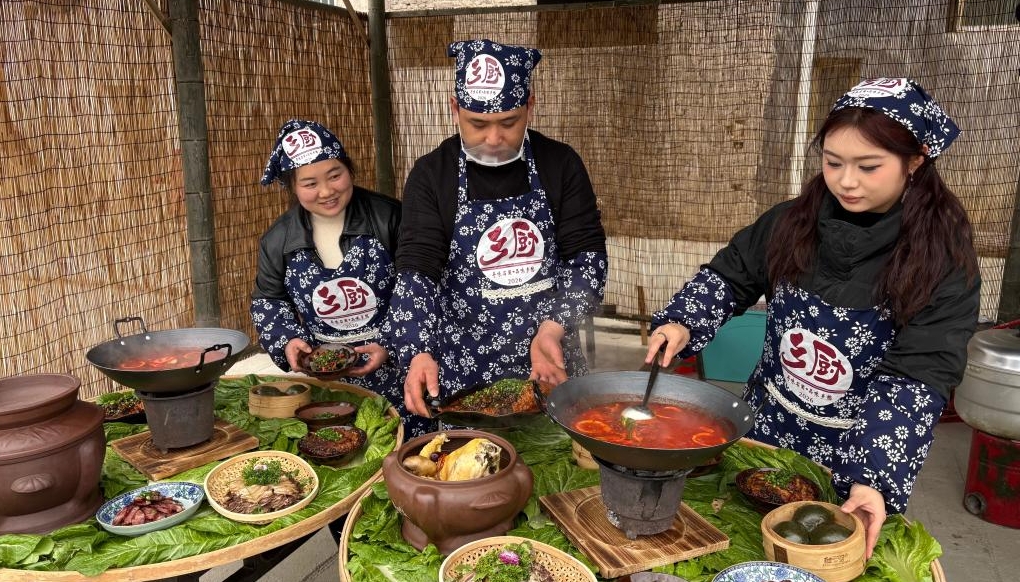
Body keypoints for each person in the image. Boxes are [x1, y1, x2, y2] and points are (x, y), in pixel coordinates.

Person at [645, 78, 979, 557]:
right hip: (764, 430)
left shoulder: (941, 260)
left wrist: (871, 479)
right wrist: (682, 322)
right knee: (733, 539)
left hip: (856, 451)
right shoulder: (789, 223)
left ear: (916, 160)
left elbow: (917, 377)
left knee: (818, 553)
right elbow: (730, 277)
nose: (846, 181)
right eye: (832, 161)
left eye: (868, 166)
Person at [384, 39, 608, 426]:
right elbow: (417, 272)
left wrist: (552, 329)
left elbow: (587, 259)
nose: (493, 138)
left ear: (530, 106)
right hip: (464, 374)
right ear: (455, 108)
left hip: (551, 361)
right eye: (477, 124)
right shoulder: (432, 175)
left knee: (556, 457)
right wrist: (417, 349)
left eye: (509, 123)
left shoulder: (560, 164)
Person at [250, 119, 426, 433]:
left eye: (335, 175)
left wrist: (390, 344)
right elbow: (269, 301)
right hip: (327, 380)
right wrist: (288, 340)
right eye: (310, 184)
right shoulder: (278, 239)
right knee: (339, 445)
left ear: (350, 170)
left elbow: (416, 286)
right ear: (292, 187)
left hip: (397, 369)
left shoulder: (389, 217)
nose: (327, 191)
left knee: (403, 443)